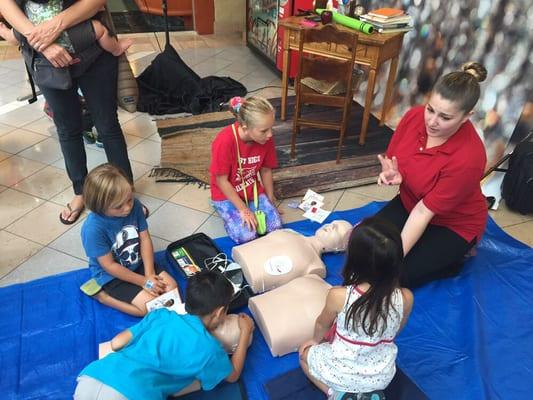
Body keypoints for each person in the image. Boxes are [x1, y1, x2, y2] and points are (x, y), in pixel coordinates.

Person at [0, 0, 134, 225]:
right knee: (67, 129)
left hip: (93, 51)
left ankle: (125, 191)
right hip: (44, 59)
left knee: (107, 124)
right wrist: (42, 42)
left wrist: (55, 26)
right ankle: (80, 191)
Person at [375, 61, 488, 288]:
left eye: (445, 118)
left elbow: (422, 213)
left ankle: (454, 260)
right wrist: (398, 175)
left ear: (467, 116)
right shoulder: (414, 117)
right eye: (430, 109)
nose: (432, 122)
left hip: (452, 224)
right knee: (366, 247)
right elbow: (401, 160)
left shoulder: (469, 157)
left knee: (392, 275)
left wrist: (396, 259)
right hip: (411, 201)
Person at [74, 270, 255, 400]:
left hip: (91, 378)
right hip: (131, 394)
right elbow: (232, 376)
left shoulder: (160, 315)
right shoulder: (209, 351)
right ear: (219, 312)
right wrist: (245, 332)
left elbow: (117, 342)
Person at [298, 217, 414, 400]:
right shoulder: (406, 297)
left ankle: (334, 393)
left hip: (340, 372)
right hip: (382, 377)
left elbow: (322, 324)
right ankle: (367, 394)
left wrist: (313, 341)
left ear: (354, 260)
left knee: (304, 356)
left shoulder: (339, 296)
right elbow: (396, 330)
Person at [81, 163, 177, 316]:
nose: (127, 208)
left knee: (172, 289)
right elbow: (109, 266)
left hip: (137, 263)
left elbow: (144, 238)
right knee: (148, 308)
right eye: (118, 206)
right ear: (99, 206)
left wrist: (149, 273)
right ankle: (104, 298)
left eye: (129, 199)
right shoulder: (93, 229)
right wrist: (144, 282)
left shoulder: (135, 206)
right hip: (111, 275)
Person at [210, 96, 283, 244]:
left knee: (275, 227)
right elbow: (221, 181)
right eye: (264, 131)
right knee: (247, 236)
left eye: (271, 128)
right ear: (245, 128)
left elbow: (266, 170)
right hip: (225, 194)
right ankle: (227, 214)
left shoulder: (265, 139)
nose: (270, 134)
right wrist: (244, 210)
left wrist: (270, 200)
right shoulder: (224, 141)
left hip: (251, 190)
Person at [232, 220, 353, 293]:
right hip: (239, 254)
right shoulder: (290, 232)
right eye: (333, 223)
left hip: (251, 281)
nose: (331, 226)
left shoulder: (316, 266)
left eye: (337, 230)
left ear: (340, 248)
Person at [0, 16, 132, 57]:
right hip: (69, 33)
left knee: (17, 32)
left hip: (32, 26)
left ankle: (6, 33)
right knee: (100, 29)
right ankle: (116, 49)